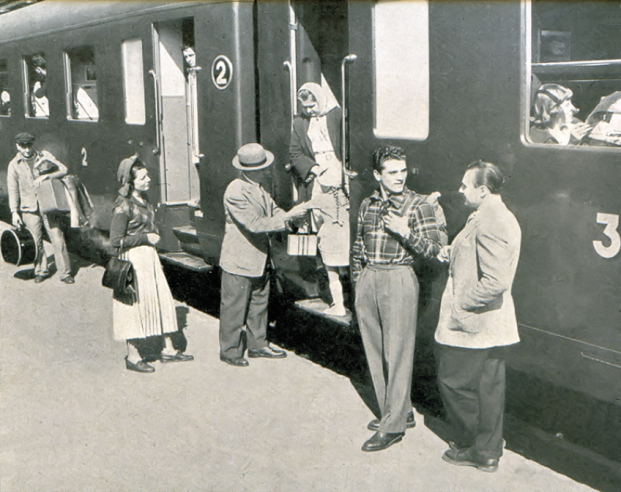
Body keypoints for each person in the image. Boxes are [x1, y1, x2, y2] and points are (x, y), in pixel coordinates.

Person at [351, 145, 442, 452]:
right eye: (392, 172)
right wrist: (358, 282)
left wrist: (405, 232)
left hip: (400, 278)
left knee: (398, 353)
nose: (399, 177)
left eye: (403, 171)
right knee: (375, 351)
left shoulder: (417, 205)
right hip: (370, 277)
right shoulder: (367, 204)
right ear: (377, 175)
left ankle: (392, 427)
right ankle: (398, 411)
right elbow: (357, 247)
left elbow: (434, 251)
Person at [434, 160, 521, 473]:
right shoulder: (487, 214)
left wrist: (462, 304)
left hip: (478, 323)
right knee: (489, 387)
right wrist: (452, 252)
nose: (460, 190)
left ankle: (478, 443)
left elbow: (496, 281)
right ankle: (487, 452)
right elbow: (478, 257)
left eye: (465, 185)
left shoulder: (492, 220)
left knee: (452, 381)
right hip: (493, 325)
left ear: (482, 191)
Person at [219, 143, 310, 367]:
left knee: (259, 303)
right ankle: (230, 351)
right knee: (234, 307)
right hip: (239, 261)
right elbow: (255, 224)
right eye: (263, 167)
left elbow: (274, 210)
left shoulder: (260, 187)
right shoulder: (235, 190)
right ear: (249, 170)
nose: (268, 170)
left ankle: (258, 345)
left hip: (259, 258)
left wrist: (291, 219)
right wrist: (288, 217)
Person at [110, 156, 194, 373]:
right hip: (134, 260)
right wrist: (146, 238)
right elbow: (116, 241)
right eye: (143, 177)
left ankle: (168, 349)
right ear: (130, 182)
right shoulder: (122, 206)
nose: (149, 180)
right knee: (134, 307)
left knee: (161, 299)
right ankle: (133, 356)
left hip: (149, 258)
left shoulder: (144, 200)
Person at [289, 82, 349, 316]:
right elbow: (295, 152)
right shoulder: (299, 123)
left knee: (341, 234)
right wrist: (312, 169)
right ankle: (336, 297)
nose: (310, 111)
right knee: (323, 235)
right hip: (318, 182)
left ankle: (343, 295)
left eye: (313, 106)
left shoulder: (337, 116)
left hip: (340, 181)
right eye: (306, 108)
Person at [7, 132, 74, 284]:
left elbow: (64, 169)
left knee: (58, 238)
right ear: (17, 146)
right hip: (29, 208)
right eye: (23, 146)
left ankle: (65, 273)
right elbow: (13, 190)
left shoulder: (44, 156)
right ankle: (41, 271)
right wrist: (14, 212)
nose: (27, 150)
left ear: (33, 144)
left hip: (49, 205)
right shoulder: (14, 165)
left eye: (29, 145)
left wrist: (46, 176)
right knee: (36, 241)